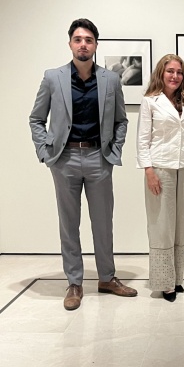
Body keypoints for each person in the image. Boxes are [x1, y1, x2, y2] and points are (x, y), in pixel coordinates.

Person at [29, 18, 138, 311]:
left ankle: (106, 278)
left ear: (95, 45)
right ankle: (74, 283)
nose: (83, 44)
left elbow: (121, 121)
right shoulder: (53, 78)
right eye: (78, 39)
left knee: (103, 222)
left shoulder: (110, 80)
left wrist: (113, 151)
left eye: (88, 40)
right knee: (69, 224)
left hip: (98, 158)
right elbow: (36, 118)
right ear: (70, 44)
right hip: (64, 160)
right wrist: (44, 150)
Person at [136, 54, 184, 302]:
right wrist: (149, 171)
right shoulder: (150, 102)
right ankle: (164, 283)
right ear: (161, 74)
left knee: (179, 223)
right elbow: (142, 140)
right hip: (160, 168)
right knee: (162, 224)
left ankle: (176, 278)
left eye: (179, 72)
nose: (175, 76)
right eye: (170, 71)